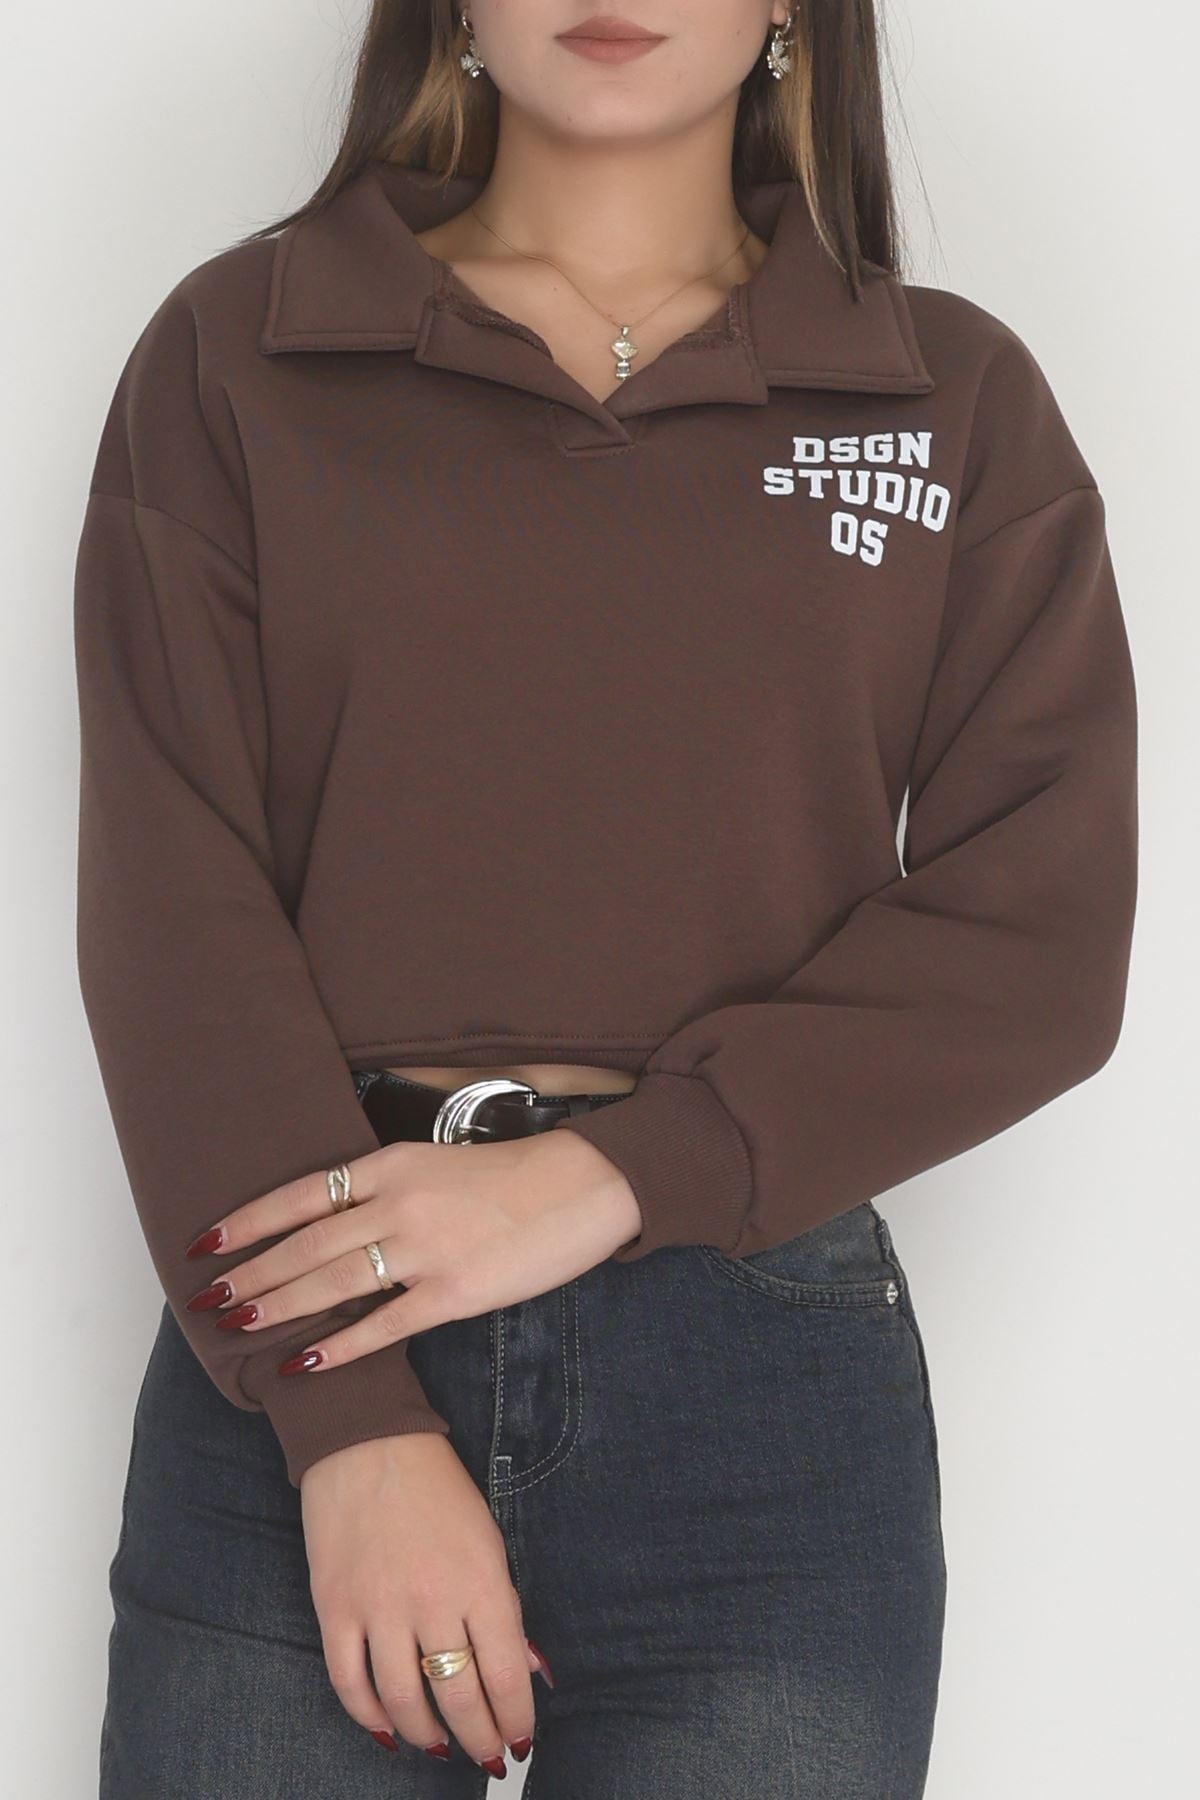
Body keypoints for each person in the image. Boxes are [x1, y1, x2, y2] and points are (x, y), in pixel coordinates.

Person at [76, 3, 1138, 1795]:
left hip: (761, 1389)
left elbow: (1038, 930)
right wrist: (346, 1424)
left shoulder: (946, 394)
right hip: (303, 1321)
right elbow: (172, 905)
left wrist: (597, 1182)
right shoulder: (239, 352)